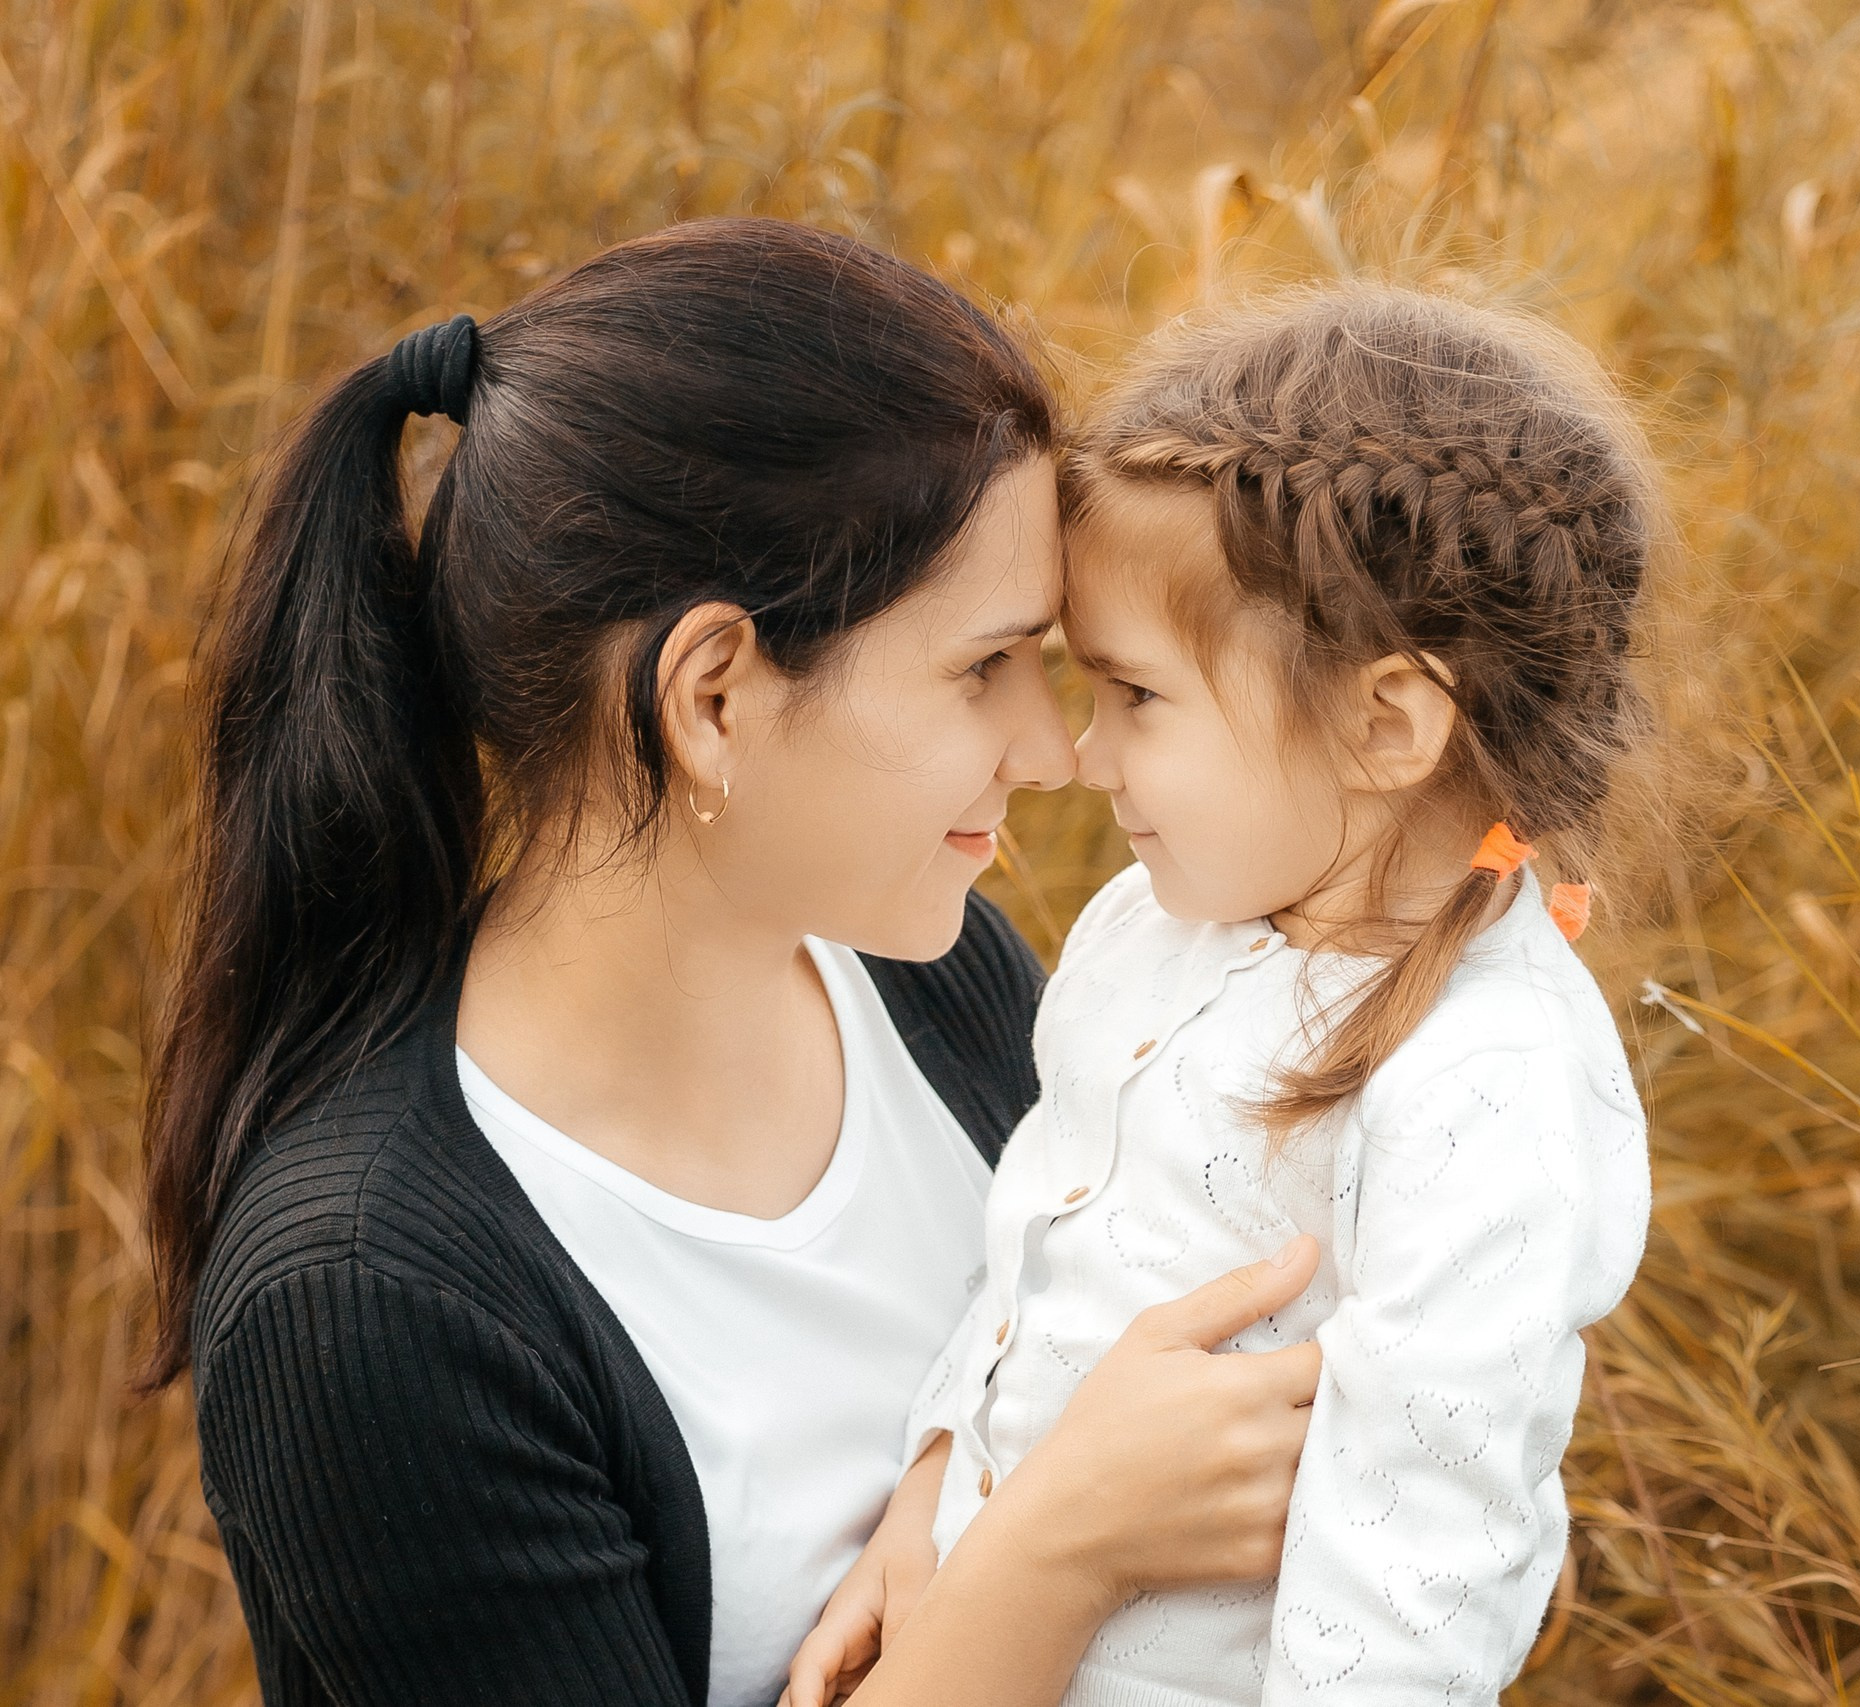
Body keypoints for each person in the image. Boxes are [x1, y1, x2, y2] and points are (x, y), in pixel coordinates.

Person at [142, 218, 1322, 1707]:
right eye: (984, 668)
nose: (1047, 750)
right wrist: (1062, 1546)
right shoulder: (372, 1306)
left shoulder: (936, 986)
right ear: (710, 695)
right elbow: (1108, 1482)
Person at [788, 286, 1657, 1707]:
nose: (1083, 754)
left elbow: (1419, 1554)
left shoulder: (1482, 1077)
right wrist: (928, 1508)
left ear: (1386, 723)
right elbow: (1033, 1248)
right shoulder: (1152, 926)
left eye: (1136, 696)